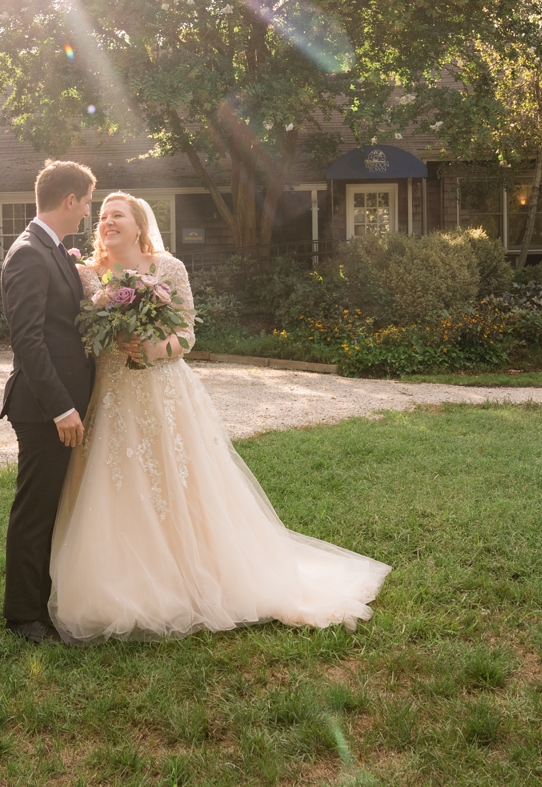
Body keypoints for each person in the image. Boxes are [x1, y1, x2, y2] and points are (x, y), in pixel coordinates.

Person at [48, 192, 391, 644]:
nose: (107, 222)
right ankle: (125, 582)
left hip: (163, 392)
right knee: (118, 483)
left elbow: (186, 332)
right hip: (111, 393)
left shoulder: (169, 269)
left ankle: (195, 573)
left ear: (138, 226)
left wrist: (151, 349)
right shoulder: (86, 275)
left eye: (118, 215)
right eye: (104, 216)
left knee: (179, 483)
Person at [0, 160, 96, 644]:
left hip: (61, 404)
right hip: (41, 409)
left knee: (50, 506)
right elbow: (28, 342)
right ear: (68, 201)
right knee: (35, 509)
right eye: (85, 203)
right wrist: (61, 407)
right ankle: (23, 616)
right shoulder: (28, 254)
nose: (87, 214)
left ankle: (40, 601)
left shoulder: (52, 249)